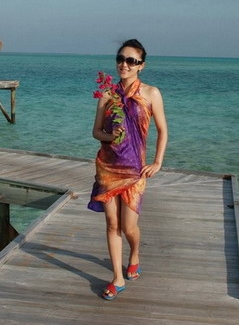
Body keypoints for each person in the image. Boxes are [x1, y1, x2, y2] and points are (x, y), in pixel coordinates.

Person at [88, 39, 168, 300]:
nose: (124, 64)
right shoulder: (107, 94)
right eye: (120, 59)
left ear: (141, 65)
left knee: (129, 226)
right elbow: (96, 131)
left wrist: (157, 162)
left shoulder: (151, 93)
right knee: (112, 224)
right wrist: (111, 137)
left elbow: (162, 130)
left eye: (131, 61)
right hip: (108, 167)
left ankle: (134, 254)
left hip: (135, 169)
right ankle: (117, 277)